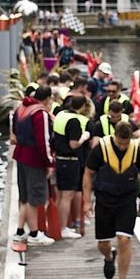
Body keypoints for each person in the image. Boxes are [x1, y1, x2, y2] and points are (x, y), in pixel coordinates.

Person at [81, 121, 140, 279]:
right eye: (119, 143)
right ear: (114, 137)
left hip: (127, 199)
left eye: (125, 143)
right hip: (104, 199)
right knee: (103, 244)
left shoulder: (137, 151)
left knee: (124, 239)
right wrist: (86, 201)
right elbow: (88, 174)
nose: (122, 146)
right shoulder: (100, 149)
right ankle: (109, 257)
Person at [11, 85, 57, 245]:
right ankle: (34, 234)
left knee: (24, 197)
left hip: (20, 155)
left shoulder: (21, 108)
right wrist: (50, 162)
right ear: (48, 99)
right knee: (34, 198)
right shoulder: (40, 113)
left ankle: (19, 231)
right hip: (34, 160)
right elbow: (43, 141)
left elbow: (15, 131)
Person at [52, 94, 92, 239]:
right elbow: (73, 144)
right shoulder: (74, 120)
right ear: (82, 106)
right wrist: (84, 137)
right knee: (67, 195)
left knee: (61, 195)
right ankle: (63, 228)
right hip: (70, 160)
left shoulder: (61, 115)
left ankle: (58, 226)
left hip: (59, 159)